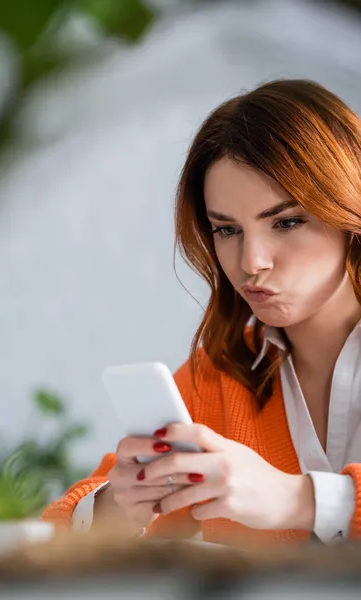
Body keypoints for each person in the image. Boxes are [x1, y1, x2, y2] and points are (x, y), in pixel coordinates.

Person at [42, 79, 361, 547]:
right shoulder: (222, 372)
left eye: (287, 222)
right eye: (227, 230)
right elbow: (51, 537)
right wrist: (118, 505)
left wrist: (297, 500)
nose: (252, 262)